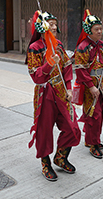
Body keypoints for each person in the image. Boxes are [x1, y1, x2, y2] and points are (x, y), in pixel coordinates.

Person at [26, 11, 81, 182]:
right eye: (50, 24)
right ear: (42, 28)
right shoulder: (35, 48)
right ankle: (45, 163)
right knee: (44, 130)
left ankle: (60, 157)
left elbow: (66, 68)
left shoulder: (58, 45)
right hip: (45, 93)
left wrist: (70, 88)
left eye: (55, 24)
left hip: (61, 91)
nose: (55, 27)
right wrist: (49, 64)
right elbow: (36, 76)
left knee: (72, 127)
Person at [74, 10, 103, 159]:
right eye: (96, 29)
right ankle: (93, 144)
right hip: (90, 87)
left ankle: (95, 140)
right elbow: (80, 70)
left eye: (100, 28)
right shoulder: (83, 47)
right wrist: (91, 86)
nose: (99, 31)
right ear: (88, 30)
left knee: (100, 114)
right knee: (93, 115)